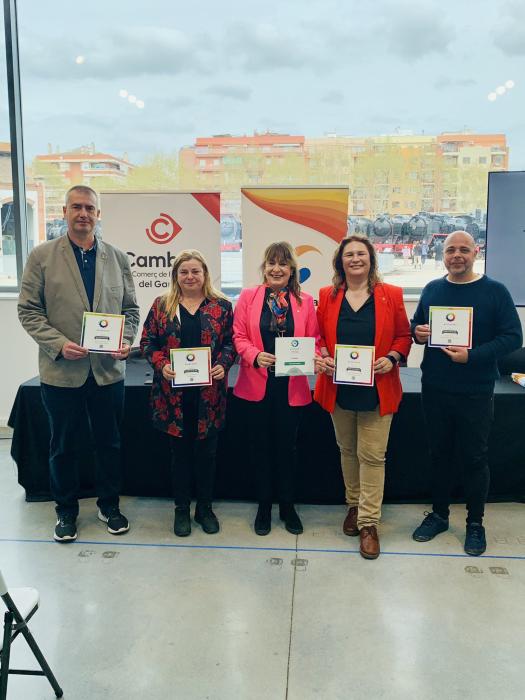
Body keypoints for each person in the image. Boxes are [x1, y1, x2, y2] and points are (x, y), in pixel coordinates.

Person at [18, 185, 139, 542]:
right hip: (61, 372)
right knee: (63, 446)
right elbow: (28, 311)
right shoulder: (41, 256)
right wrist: (58, 344)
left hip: (107, 373)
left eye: (89, 208)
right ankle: (66, 510)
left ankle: (109, 506)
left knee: (109, 444)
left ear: (98, 214)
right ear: (65, 212)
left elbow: (130, 310)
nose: (83, 213)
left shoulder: (117, 258)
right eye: (76, 207)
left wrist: (125, 340)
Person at [411, 230, 522, 556]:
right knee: (439, 455)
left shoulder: (495, 291)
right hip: (435, 388)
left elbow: (513, 337)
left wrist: (472, 356)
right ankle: (439, 515)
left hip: (475, 390)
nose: (456, 255)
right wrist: (418, 333)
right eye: (450, 250)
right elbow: (416, 327)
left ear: (475, 252)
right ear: (443, 254)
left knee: (474, 458)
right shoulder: (432, 289)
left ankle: (475, 523)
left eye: (463, 249)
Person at [315, 235, 412, 560]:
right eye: (349, 255)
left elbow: (404, 336)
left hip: (378, 388)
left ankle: (369, 523)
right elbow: (318, 336)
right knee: (347, 451)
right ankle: (354, 506)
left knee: (372, 456)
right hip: (339, 388)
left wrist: (393, 357)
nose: (355, 259)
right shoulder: (327, 295)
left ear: (371, 259)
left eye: (361, 254)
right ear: (340, 262)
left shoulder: (391, 294)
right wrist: (323, 354)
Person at [140, 250, 235, 537]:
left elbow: (231, 343)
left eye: (195, 271)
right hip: (173, 398)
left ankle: (204, 508)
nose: (190, 276)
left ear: (205, 274)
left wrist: (223, 364)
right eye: (184, 272)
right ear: (176, 276)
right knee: (179, 456)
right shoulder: (161, 305)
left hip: (209, 396)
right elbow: (147, 342)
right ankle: (181, 509)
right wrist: (162, 365)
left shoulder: (222, 306)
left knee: (208, 456)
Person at [233, 241, 320, 536]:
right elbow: (238, 335)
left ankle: (287, 505)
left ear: (292, 269)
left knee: (287, 449)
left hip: (290, 386)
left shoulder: (305, 301)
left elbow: (314, 339)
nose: (276, 269)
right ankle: (264, 506)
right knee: (259, 448)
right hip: (256, 384)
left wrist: (315, 357)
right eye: (271, 263)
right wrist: (254, 355)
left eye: (283, 263)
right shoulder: (248, 296)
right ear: (264, 267)